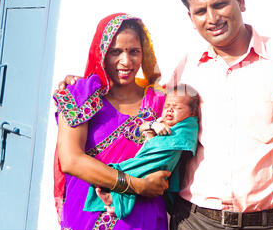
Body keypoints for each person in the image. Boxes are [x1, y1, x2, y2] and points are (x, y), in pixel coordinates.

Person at [58, 0, 273, 230]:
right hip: (195, 222)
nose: (212, 18)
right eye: (200, 11)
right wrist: (79, 85)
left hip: (269, 223)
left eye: (220, 4)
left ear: (240, 1)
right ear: (191, 17)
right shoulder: (186, 70)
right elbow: (132, 105)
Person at [54, 13, 172, 230]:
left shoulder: (161, 102)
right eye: (115, 52)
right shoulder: (80, 96)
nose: (126, 62)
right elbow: (71, 160)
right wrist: (137, 185)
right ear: (101, 53)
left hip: (140, 220)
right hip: (85, 217)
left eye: (134, 51)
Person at [84, 84, 200, 220]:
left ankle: (116, 202)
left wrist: (156, 140)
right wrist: (152, 125)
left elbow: (174, 143)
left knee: (137, 172)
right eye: (167, 106)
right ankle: (114, 198)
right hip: (147, 158)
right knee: (133, 171)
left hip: (159, 163)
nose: (170, 110)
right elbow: (140, 128)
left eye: (177, 108)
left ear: (192, 113)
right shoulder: (160, 122)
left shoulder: (187, 127)